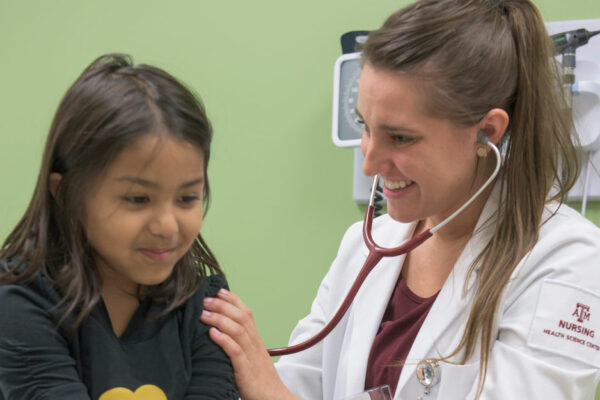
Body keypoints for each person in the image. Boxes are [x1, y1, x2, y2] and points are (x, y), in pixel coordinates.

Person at [200, 0, 600, 399]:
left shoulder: (568, 261)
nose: (369, 163)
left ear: (487, 131)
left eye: (401, 138)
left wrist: (269, 389)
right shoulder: (364, 246)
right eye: (365, 126)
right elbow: (298, 385)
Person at [0, 54, 238, 400]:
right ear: (66, 194)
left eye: (187, 198)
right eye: (138, 199)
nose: (167, 226)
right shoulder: (21, 303)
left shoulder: (206, 307)